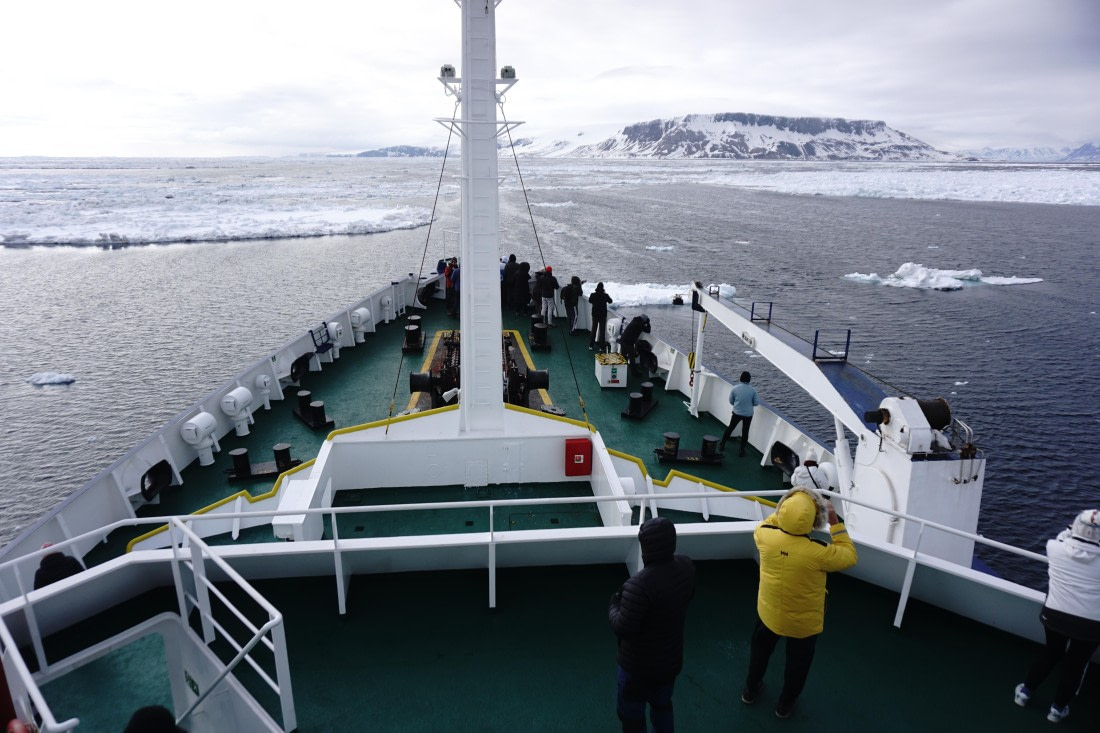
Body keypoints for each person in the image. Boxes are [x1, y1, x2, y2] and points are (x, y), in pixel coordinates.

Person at [742, 486, 857, 719]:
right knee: (797, 665)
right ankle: (784, 705)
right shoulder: (819, 553)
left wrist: (791, 502)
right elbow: (849, 555)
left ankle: (750, 691)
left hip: (769, 613)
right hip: (803, 625)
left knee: (759, 653)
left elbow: (774, 520)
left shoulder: (764, 535)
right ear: (815, 521)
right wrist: (834, 521)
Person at [609, 517, 696, 733]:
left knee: (631, 714)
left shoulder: (639, 586)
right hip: (670, 661)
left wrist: (614, 604)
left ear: (646, 547)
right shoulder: (686, 566)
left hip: (637, 668)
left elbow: (622, 627)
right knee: (662, 705)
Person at [1013, 509, 1100, 724]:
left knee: (1051, 653)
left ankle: (1025, 692)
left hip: (1054, 615)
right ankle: (1057, 710)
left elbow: (1063, 536)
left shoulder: (1054, 548)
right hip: (1090, 624)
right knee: (1076, 664)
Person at [719, 372, 759, 456]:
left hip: (737, 412)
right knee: (745, 431)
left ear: (740, 378)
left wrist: (737, 405)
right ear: (749, 379)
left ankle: (722, 444)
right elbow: (756, 403)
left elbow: (731, 400)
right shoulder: (753, 390)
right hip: (748, 414)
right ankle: (741, 450)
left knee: (730, 428)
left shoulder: (735, 388)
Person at [588, 282, 613, 350]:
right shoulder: (605, 295)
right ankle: (602, 347)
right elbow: (610, 301)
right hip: (602, 315)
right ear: (603, 288)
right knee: (602, 331)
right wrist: (605, 293)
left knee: (594, 330)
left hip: (595, 315)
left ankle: (591, 346)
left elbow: (590, 301)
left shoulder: (593, 295)